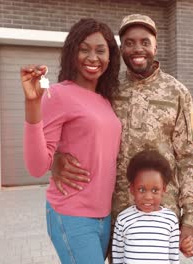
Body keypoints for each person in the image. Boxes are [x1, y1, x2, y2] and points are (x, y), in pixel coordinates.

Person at [50, 14, 193, 257]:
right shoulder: (108, 89)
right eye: (129, 42)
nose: (137, 48)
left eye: (144, 41)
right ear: (121, 49)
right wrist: (55, 156)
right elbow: (75, 126)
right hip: (115, 211)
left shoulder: (178, 92)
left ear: (155, 46)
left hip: (162, 212)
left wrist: (189, 221)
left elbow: (189, 158)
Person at [21, 18, 121, 263]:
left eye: (100, 50)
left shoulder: (106, 100)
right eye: (84, 49)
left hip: (104, 216)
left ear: (110, 57)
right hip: (72, 213)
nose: (92, 57)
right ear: (72, 52)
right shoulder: (58, 94)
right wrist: (32, 104)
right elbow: (36, 167)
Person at [112, 150, 180, 264]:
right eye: (142, 189)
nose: (148, 197)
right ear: (132, 189)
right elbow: (118, 258)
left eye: (155, 190)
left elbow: (174, 258)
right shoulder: (123, 219)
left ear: (163, 189)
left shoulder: (171, 220)